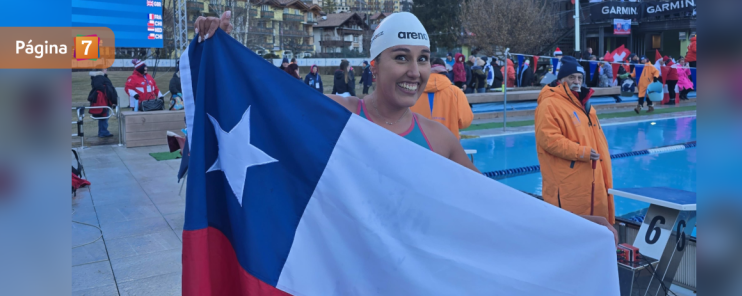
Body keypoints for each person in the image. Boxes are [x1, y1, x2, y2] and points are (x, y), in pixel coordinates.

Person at [194, 10, 618, 240]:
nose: (415, 71)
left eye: (421, 58)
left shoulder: (439, 139)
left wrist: (573, 225)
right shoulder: (340, 116)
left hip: (408, 284)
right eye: (400, 57)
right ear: (373, 67)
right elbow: (266, 105)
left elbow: (498, 205)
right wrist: (217, 50)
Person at [534, 56, 616, 228]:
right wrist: (581, 152)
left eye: (579, 78)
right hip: (568, 184)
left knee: (594, 230)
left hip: (594, 179)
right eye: (571, 77)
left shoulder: (585, 105)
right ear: (560, 80)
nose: (576, 81)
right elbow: (548, 139)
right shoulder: (550, 104)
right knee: (570, 231)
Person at [411, 58, 474, 139]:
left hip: (418, 143)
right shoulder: (456, 92)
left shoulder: (413, 91)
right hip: (448, 144)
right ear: (445, 71)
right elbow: (465, 122)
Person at [88, 69, 117, 137]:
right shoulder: (100, 78)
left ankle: (103, 131)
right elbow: (108, 90)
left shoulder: (96, 78)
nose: (106, 70)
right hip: (104, 101)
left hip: (102, 100)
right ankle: (103, 132)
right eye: (105, 69)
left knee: (103, 116)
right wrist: (113, 100)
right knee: (104, 116)